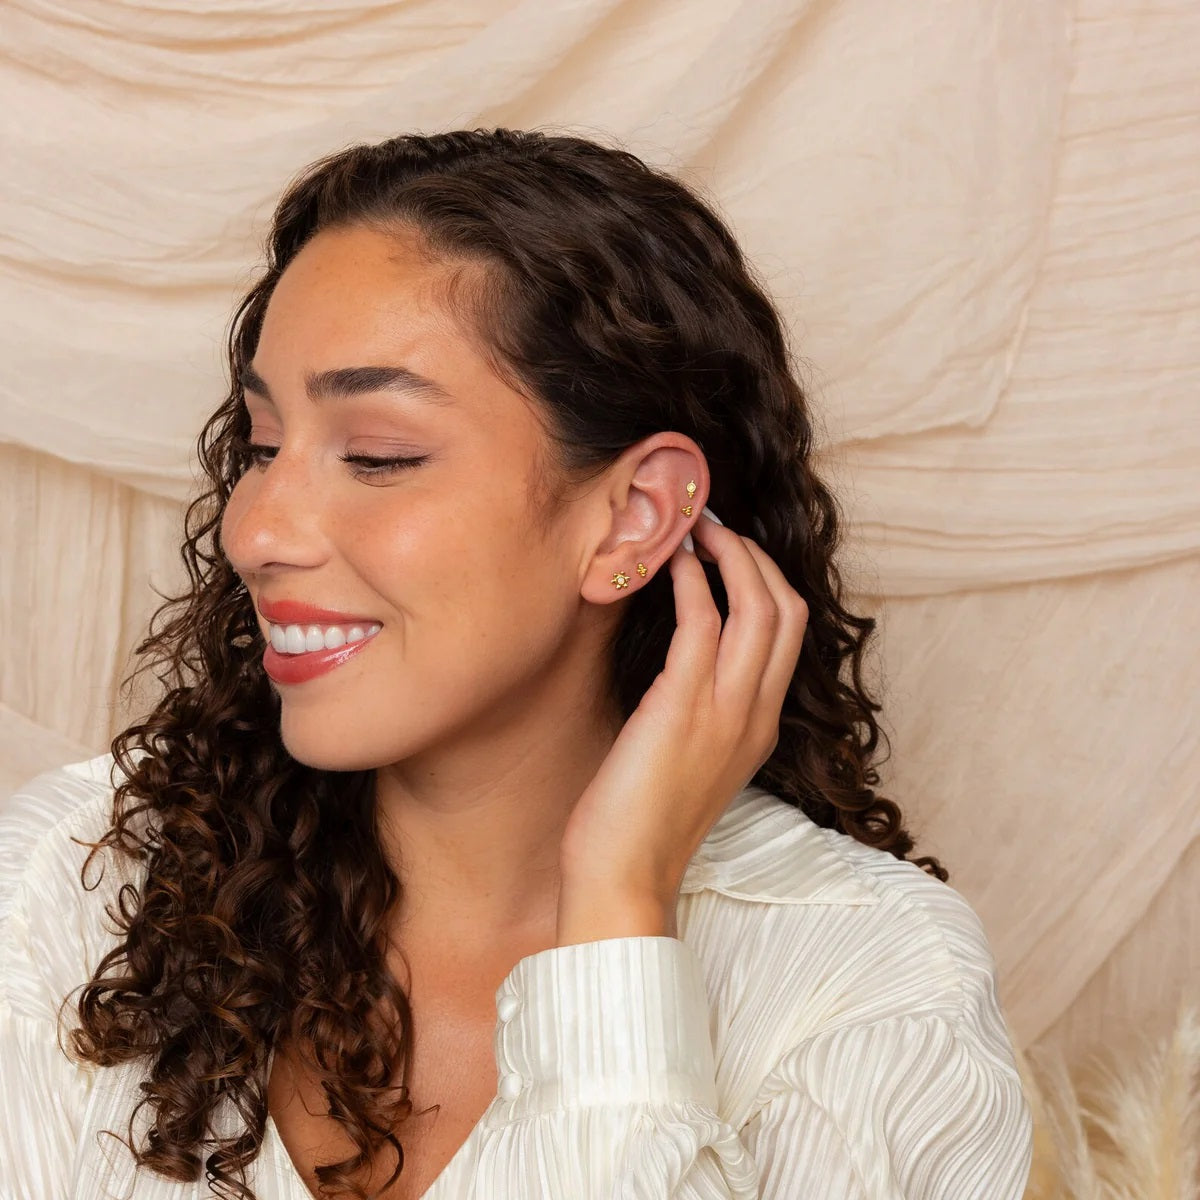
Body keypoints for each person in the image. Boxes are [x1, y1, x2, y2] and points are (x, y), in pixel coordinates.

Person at [0, 128, 1033, 1200]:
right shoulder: (64, 890)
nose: (254, 530)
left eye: (378, 455)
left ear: (632, 517)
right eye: (261, 446)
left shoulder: (868, 987)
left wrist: (618, 919)